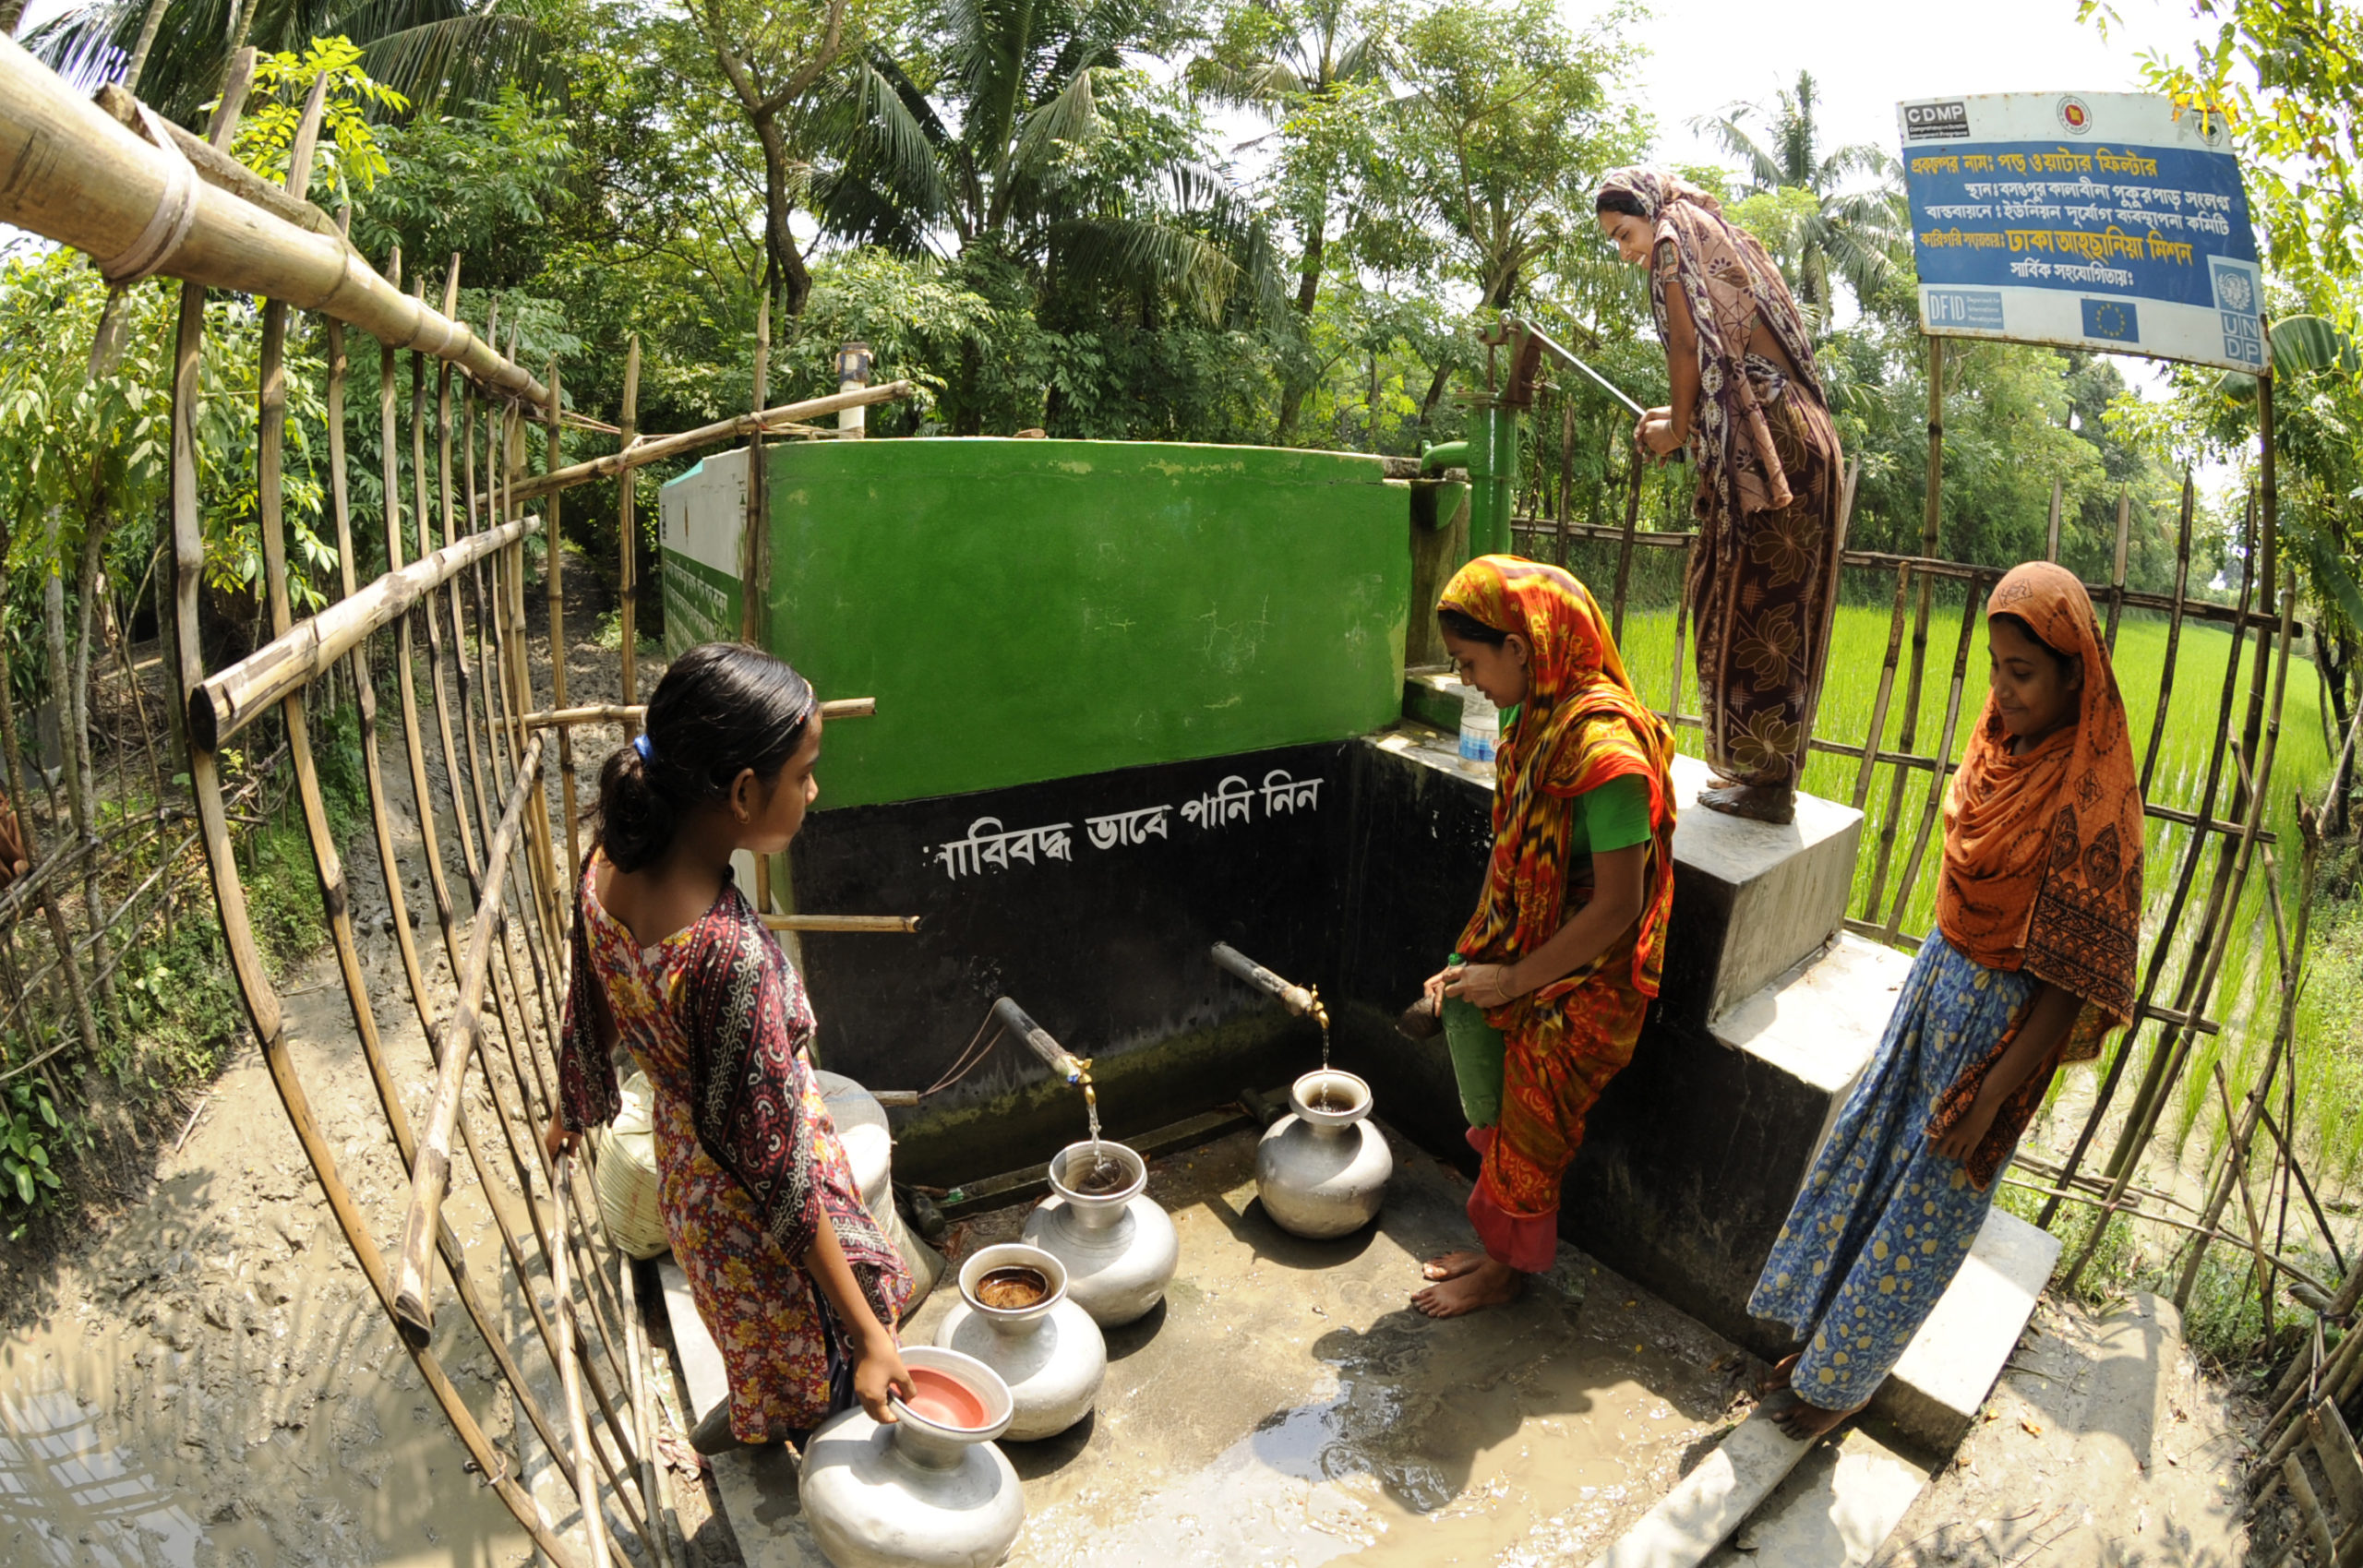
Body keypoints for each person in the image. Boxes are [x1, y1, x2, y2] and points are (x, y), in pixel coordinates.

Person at [1748, 564, 2143, 1441]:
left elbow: (2073, 985)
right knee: (1865, 1164)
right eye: (1996, 667)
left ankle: (1841, 1384)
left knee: (1921, 1213)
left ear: (2075, 671)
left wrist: (1994, 1093)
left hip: (1994, 1037)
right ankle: (1820, 1344)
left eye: (2024, 673)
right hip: (1935, 991)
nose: (2003, 690)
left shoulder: (2093, 807)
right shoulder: (1998, 747)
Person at [546, 642, 914, 1453]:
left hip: (694, 1193)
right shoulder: (724, 958)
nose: (814, 790)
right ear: (745, 792)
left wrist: (572, 1106)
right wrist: (866, 1334)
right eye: (805, 772)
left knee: (753, 1349)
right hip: (761, 1221)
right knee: (817, 1354)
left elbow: (598, 990)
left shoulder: (608, 860)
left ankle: (758, 1417)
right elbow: (778, 1175)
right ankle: (817, 1462)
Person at [1409, 556, 1678, 1318]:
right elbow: (1515, 864)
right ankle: (1499, 1246)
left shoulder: (1605, 755)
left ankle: (1508, 1273)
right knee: (1494, 1088)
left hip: (1594, 976)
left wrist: (1513, 978)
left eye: (1470, 662)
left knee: (1532, 1118)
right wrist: (1473, 956)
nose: (1467, 682)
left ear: (1522, 646)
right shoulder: (1534, 721)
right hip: (1536, 951)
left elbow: (1619, 905)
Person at [1595, 166, 1844, 825]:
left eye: (1624, 235)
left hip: (1779, 450)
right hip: (1799, 441)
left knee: (1753, 610)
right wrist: (1679, 417)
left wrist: (1677, 431)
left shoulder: (1675, 242)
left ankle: (1765, 788)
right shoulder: (1712, 229)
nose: (1625, 252)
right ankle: (1763, 778)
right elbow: (1717, 365)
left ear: (1647, 211)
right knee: (1770, 608)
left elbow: (1686, 346)